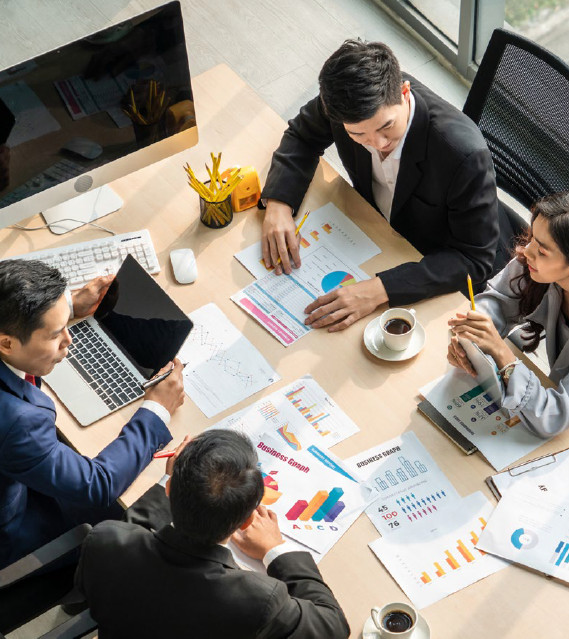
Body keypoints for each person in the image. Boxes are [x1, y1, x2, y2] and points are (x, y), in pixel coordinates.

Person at [261, 39, 501, 331]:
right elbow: (302, 135)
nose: (378, 144)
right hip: (372, 235)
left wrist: (379, 291)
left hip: (427, 266)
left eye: (386, 126)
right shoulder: (346, 106)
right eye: (359, 134)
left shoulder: (464, 155)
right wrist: (278, 204)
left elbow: (474, 259)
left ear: (403, 92)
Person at [75, 429, 350, 639]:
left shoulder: (105, 539)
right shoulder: (259, 600)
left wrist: (171, 479)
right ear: (247, 520)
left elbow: (133, 532)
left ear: (170, 491)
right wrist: (276, 550)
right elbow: (333, 625)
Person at [0, 259, 185, 568]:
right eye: (55, 334)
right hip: (17, 530)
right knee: (127, 520)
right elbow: (96, 484)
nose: (69, 340)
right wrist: (157, 410)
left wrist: (67, 306)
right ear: (6, 343)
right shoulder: (16, 422)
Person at [448, 191, 569, 438]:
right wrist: (471, 340)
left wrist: (503, 356)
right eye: (533, 237)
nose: (527, 251)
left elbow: (553, 417)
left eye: (543, 251)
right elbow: (496, 303)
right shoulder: (536, 268)